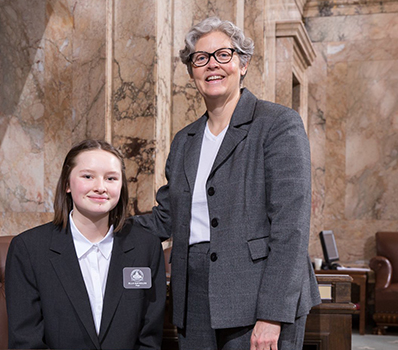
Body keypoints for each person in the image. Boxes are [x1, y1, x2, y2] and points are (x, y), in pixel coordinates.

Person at [135, 17, 321, 350]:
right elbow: (167, 217)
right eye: (200, 58)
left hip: (258, 295)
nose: (212, 65)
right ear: (192, 71)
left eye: (223, 55)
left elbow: (290, 227)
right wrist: (102, 223)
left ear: (243, 63)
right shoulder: (184, 141)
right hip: (194, 296)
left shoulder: (277, 124)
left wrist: (272, 314)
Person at [6, 139, 166, 350]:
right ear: (67, 184)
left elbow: (149, 338)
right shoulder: (28, 249)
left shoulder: (147, 247)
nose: (100, 187)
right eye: (88, 176)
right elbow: (26, 342)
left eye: (111, 178)